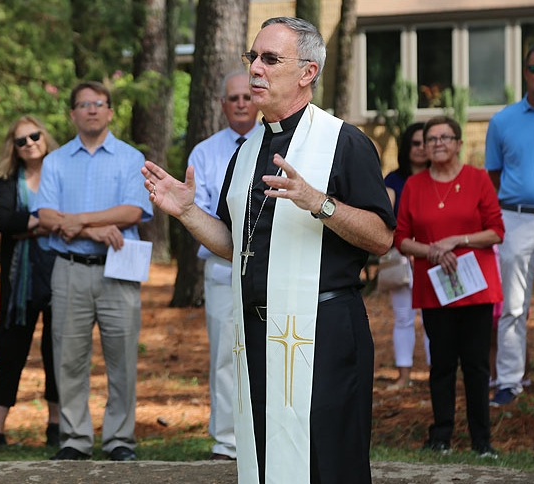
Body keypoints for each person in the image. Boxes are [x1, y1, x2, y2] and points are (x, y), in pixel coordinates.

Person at [143, 17, 394, 484]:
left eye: (270, 59)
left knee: (327, 462)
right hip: (259, 333)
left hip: (324, 333)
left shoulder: (343, 142)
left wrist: (318, 202)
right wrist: (186, 212)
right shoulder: (248, 148)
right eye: (252, 57)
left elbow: (381, 237)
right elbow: (234, 244)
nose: (255, 68)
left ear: (307, 72)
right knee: (263, 460)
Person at [36, 81, 153, 462]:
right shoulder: (54, 161)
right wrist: (95, 229)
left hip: (118, 272)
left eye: (98, 104)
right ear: (72, 113)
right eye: (83, 104)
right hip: (69, 270)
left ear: (110, 111)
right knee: (68, 357)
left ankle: (120, 439)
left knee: (121, 357)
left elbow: (132, 211)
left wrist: (81, 222)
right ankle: (74, 438)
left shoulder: (130, 158)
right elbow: (47, 216)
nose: (91, 110)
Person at [395, 116, 503, 457]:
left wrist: (457, 240)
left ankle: (481, 440)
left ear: (458, 143)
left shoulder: (478, 179)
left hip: (475, 286)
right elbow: (401, 239)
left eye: (446, 137)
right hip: (435, 288)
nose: (438, 143)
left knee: (476, 365)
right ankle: (441, 436)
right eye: (432, 138)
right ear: (424, 147)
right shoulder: (414, 186)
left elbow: (497, 231)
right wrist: (432, 250)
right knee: (441, 365)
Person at [485, 43, 534, 408]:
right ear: (525, 73)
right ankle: (509, 382)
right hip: (515, 217)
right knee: (514, 306)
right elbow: (494, 174)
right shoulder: (502, 120)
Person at [0, 116, 60, 450]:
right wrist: (45, 222)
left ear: (45, 136)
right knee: (10, 351)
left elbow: (71, 215)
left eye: (34, 136)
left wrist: (29, 225)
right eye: (20, 141)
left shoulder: (61, 172)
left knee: (57, 351)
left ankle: (56, 424)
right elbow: (4, 220)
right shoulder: (8, 180)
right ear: (14, 148)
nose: (29, 144)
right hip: (18, 280)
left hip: (59, 273)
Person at [188, 70, 259, 460]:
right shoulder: (205, 153)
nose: (241, 103)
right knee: (225, 357)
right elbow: (197, 212)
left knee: (272, 352)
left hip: (272, 268)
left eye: (247, 96)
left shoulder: (277, 143)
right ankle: (227, 442)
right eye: (233, 98)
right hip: (221, 268)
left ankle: (266, 437)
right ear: (222, 104)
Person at [383, 122, 430, 390]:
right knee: (403, 317)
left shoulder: (440, 177)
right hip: (401, 259)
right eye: (415, 143)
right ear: (405, 147)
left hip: (436, 258)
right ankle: (404, 376)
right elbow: (385, 220)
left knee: (433, 318)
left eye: (426, 142)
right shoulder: (393, 180)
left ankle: (437, 373)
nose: (422, 148)